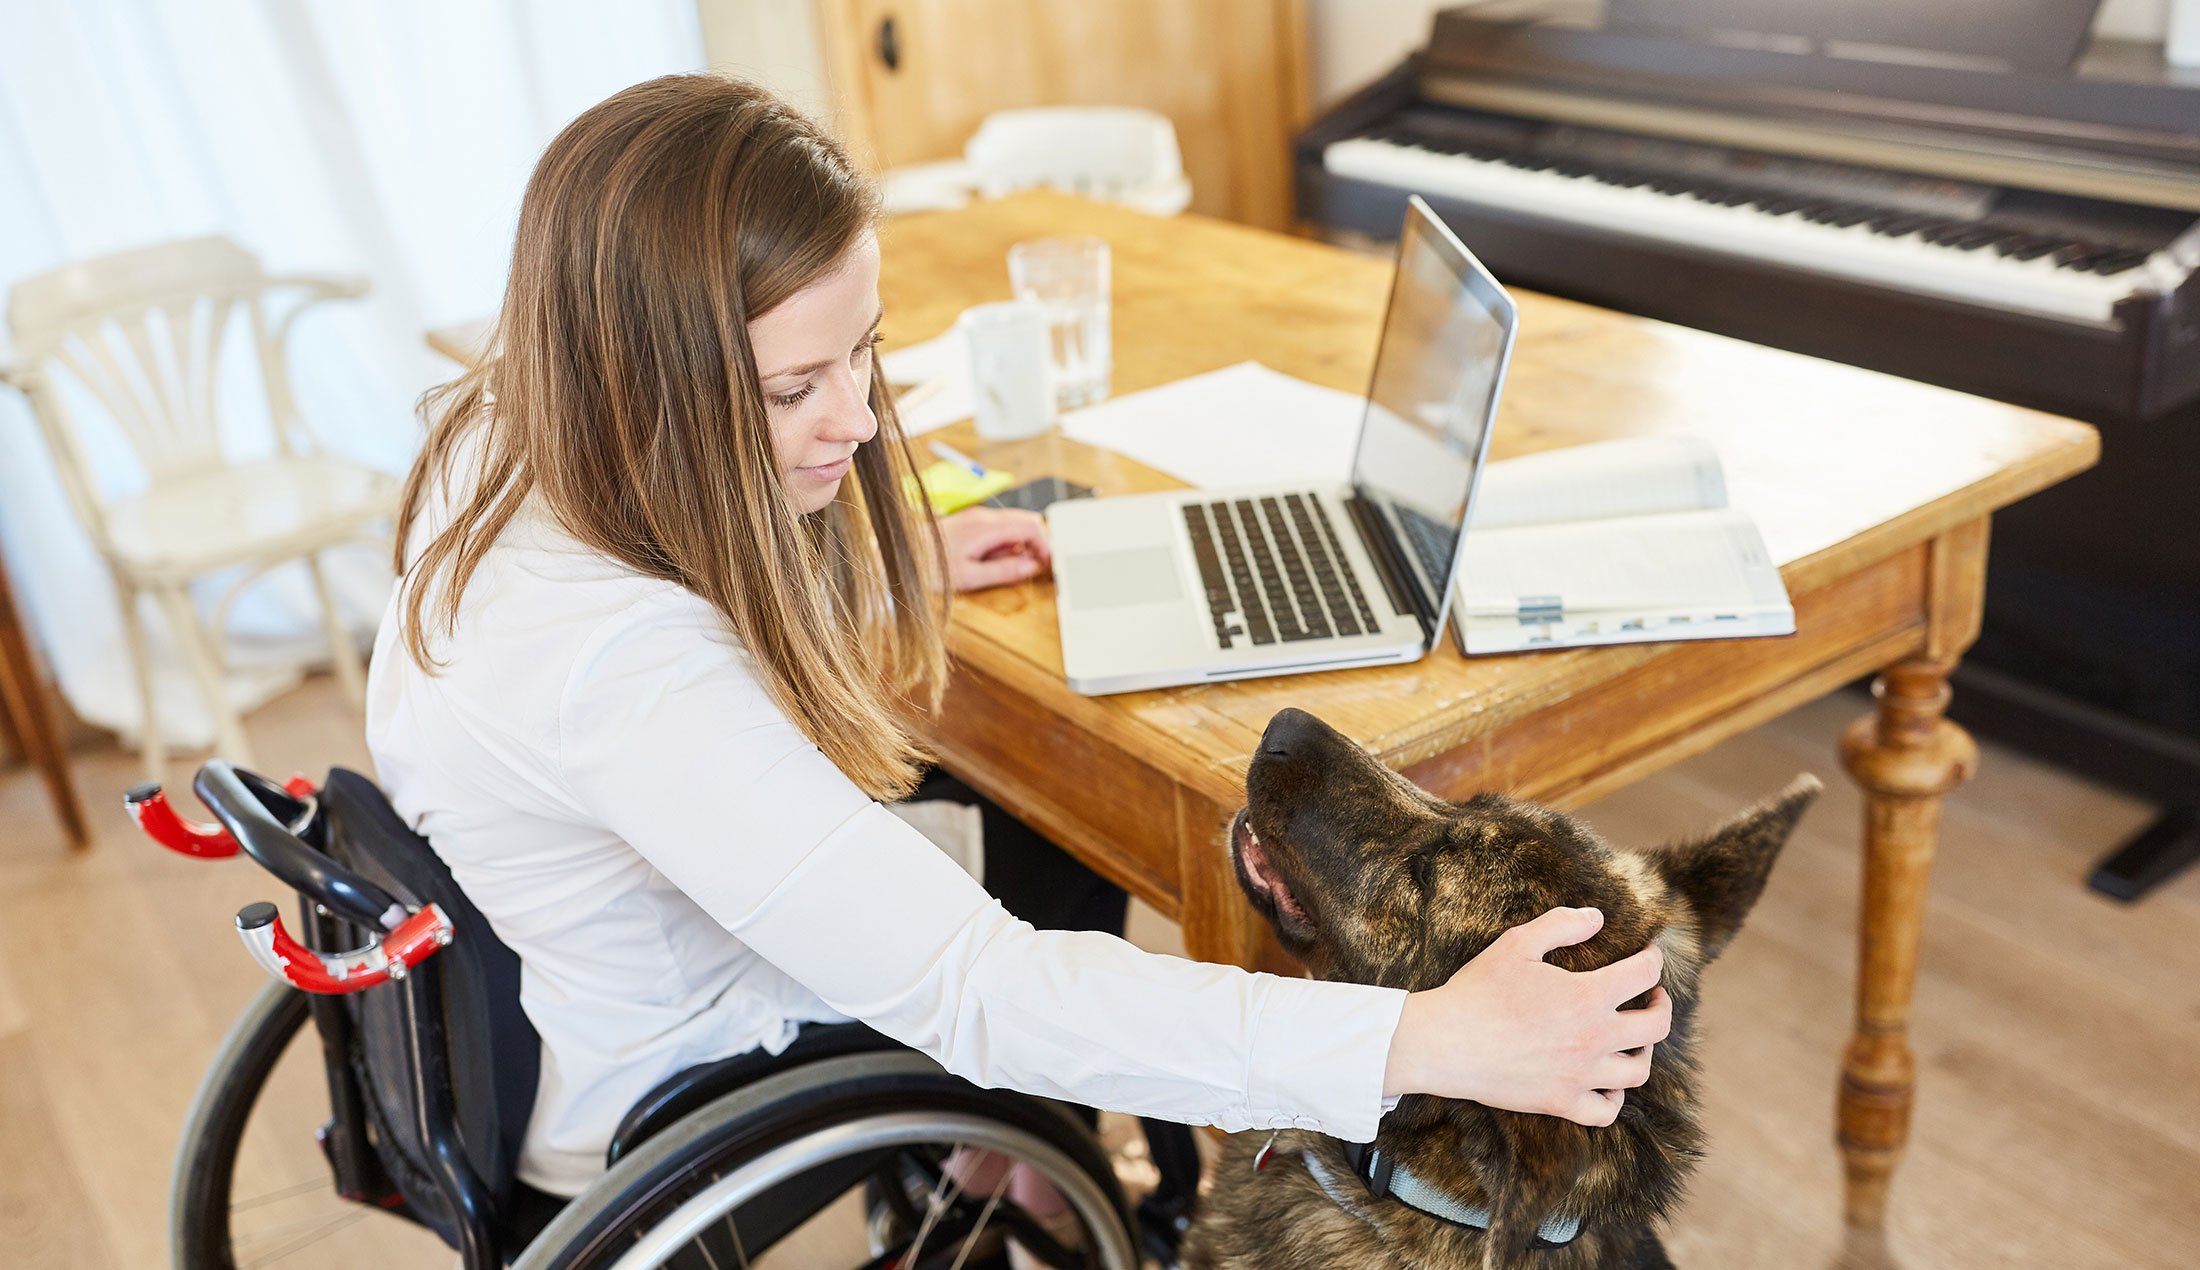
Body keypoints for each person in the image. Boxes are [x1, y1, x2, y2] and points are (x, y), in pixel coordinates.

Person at [365, 73, 1671, 1225]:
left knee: (1033, 812)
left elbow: (675, 605)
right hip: (690, 1070)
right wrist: (1431, 1035)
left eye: (861, 356)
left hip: (612, 941)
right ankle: (1008, 1158)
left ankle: (1014, 1164)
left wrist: (887, 563)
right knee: (1045, 853)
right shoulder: (621, 677)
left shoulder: (509, 430)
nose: (857, 423)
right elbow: (981, 987)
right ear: (642, 374)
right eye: (790, 389)